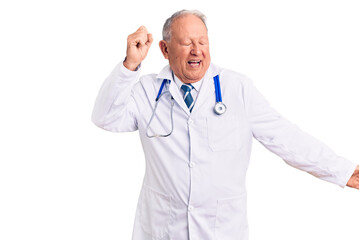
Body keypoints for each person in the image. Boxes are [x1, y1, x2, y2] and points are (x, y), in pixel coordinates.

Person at [92, 9, 359, 240]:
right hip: (163, 229)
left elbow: (285, 137)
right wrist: (130, 65)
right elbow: (105, 117)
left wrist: (342, 171)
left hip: (221, 230)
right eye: (186, 43)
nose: (197, 50)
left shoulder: (236, 88)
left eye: (203, 42)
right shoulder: (148, 91)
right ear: (164, 49)